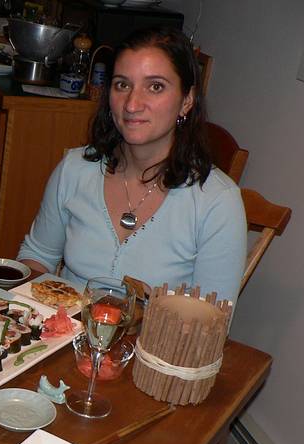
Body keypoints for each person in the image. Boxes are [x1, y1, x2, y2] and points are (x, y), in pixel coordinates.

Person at [17, 27, 246, 305]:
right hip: (64, 335)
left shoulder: (218, 202)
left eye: (155, 86)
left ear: (187, 100)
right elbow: (38, 256)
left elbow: (211, 323)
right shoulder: (75, 168)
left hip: (153, 347)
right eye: (122, 85)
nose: (132, 104)